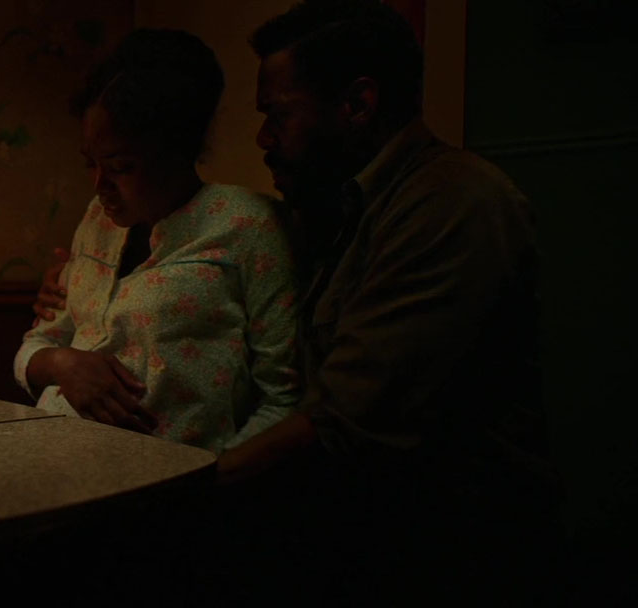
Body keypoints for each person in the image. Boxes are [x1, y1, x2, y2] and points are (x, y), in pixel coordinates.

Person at [35, 2, 561, 603]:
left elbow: (338, 419)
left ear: (357, 104)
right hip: (360, 538)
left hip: (453, 549)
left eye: (279, 115)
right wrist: (81, 291)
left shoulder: (452, 204)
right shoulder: (334, 205)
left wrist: (169, 491)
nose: (263, 137)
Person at [14, 28, 300, 454]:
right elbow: (35, 346)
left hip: (170, 472)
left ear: (176, 151)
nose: (99, 185)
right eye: (90, 163)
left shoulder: (247, 225)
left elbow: (281, 397)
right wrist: (61, 363)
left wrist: (213, 472)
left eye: (121, 167)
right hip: (54, 452)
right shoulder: (96, 221)